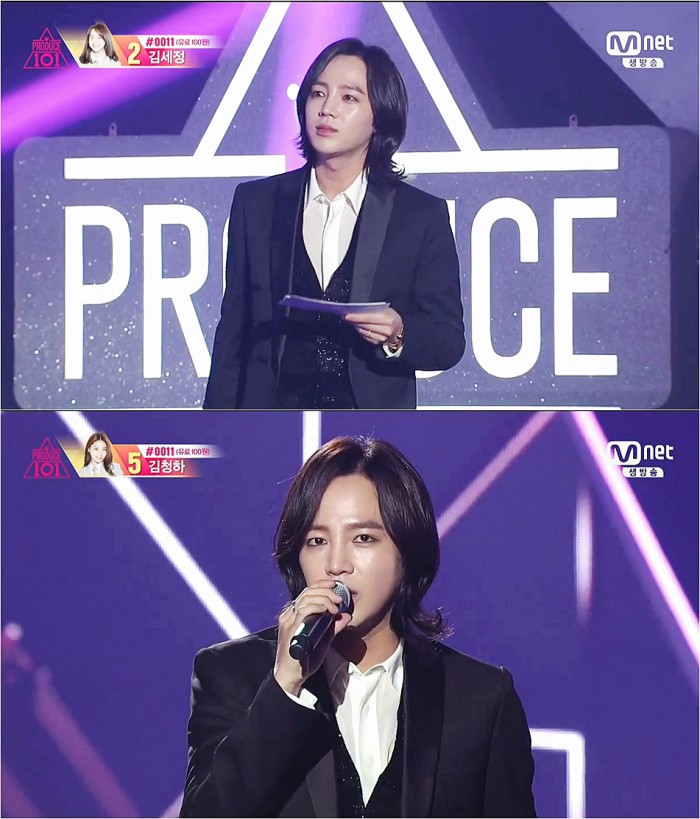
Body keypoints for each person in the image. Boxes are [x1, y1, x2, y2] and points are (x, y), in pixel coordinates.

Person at [180, 437, 536, 817]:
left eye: (363, 538)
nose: (336, 564)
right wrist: (284, 687)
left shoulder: (481, 696)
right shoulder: (232, 674)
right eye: (317, 540)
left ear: (407, 551)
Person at [204, 38, 465, 409]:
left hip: (368, 426)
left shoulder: (419, 216)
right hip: (270, 421)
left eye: (349, 97)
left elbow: (448, 340)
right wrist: (217, 427)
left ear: (379, 118)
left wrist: (398, 333)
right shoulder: (256, 204)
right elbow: (233, 333)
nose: (327, 109)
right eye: (318, 93)